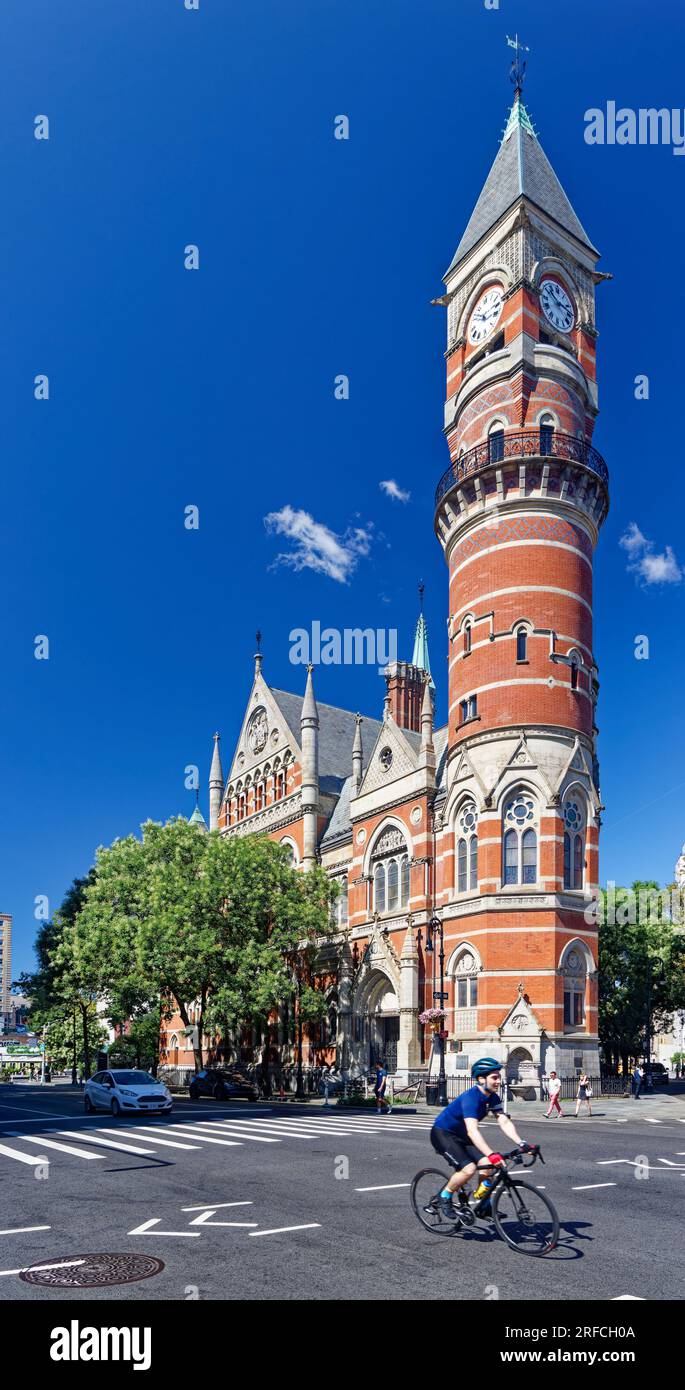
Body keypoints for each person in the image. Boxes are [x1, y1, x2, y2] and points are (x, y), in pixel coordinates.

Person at [430, 1057, 535, 1220]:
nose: (498, 1081)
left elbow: (504, 1120)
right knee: (469, 1169)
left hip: (462, 1135)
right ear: (481, 1079)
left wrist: (522, 1143)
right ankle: (444, 1196)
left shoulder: (492, 1097)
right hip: (443, 1133)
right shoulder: (471, 1098)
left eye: (499, 1077)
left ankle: (483, 1205)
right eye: (494, 1077)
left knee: (487, 1166)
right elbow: (472, 1131)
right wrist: (492, 1154)